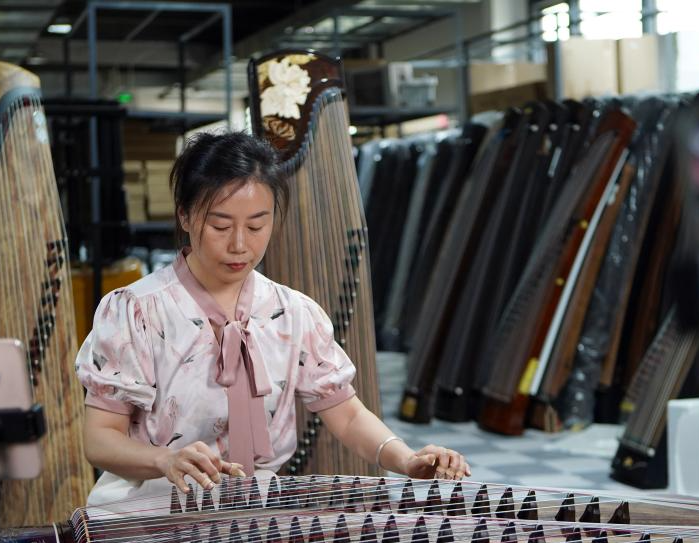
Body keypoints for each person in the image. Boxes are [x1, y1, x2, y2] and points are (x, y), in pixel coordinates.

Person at [76, 131, 469, 506]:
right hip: (147, 513)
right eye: (220, 225)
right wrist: (163, 459)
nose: (239, 244)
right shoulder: (137, 310)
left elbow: (348, 416)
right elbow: (100, 439)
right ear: (184, 216)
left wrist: (406, 460)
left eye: (256, 225)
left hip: (251, 513)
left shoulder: (293, 313)